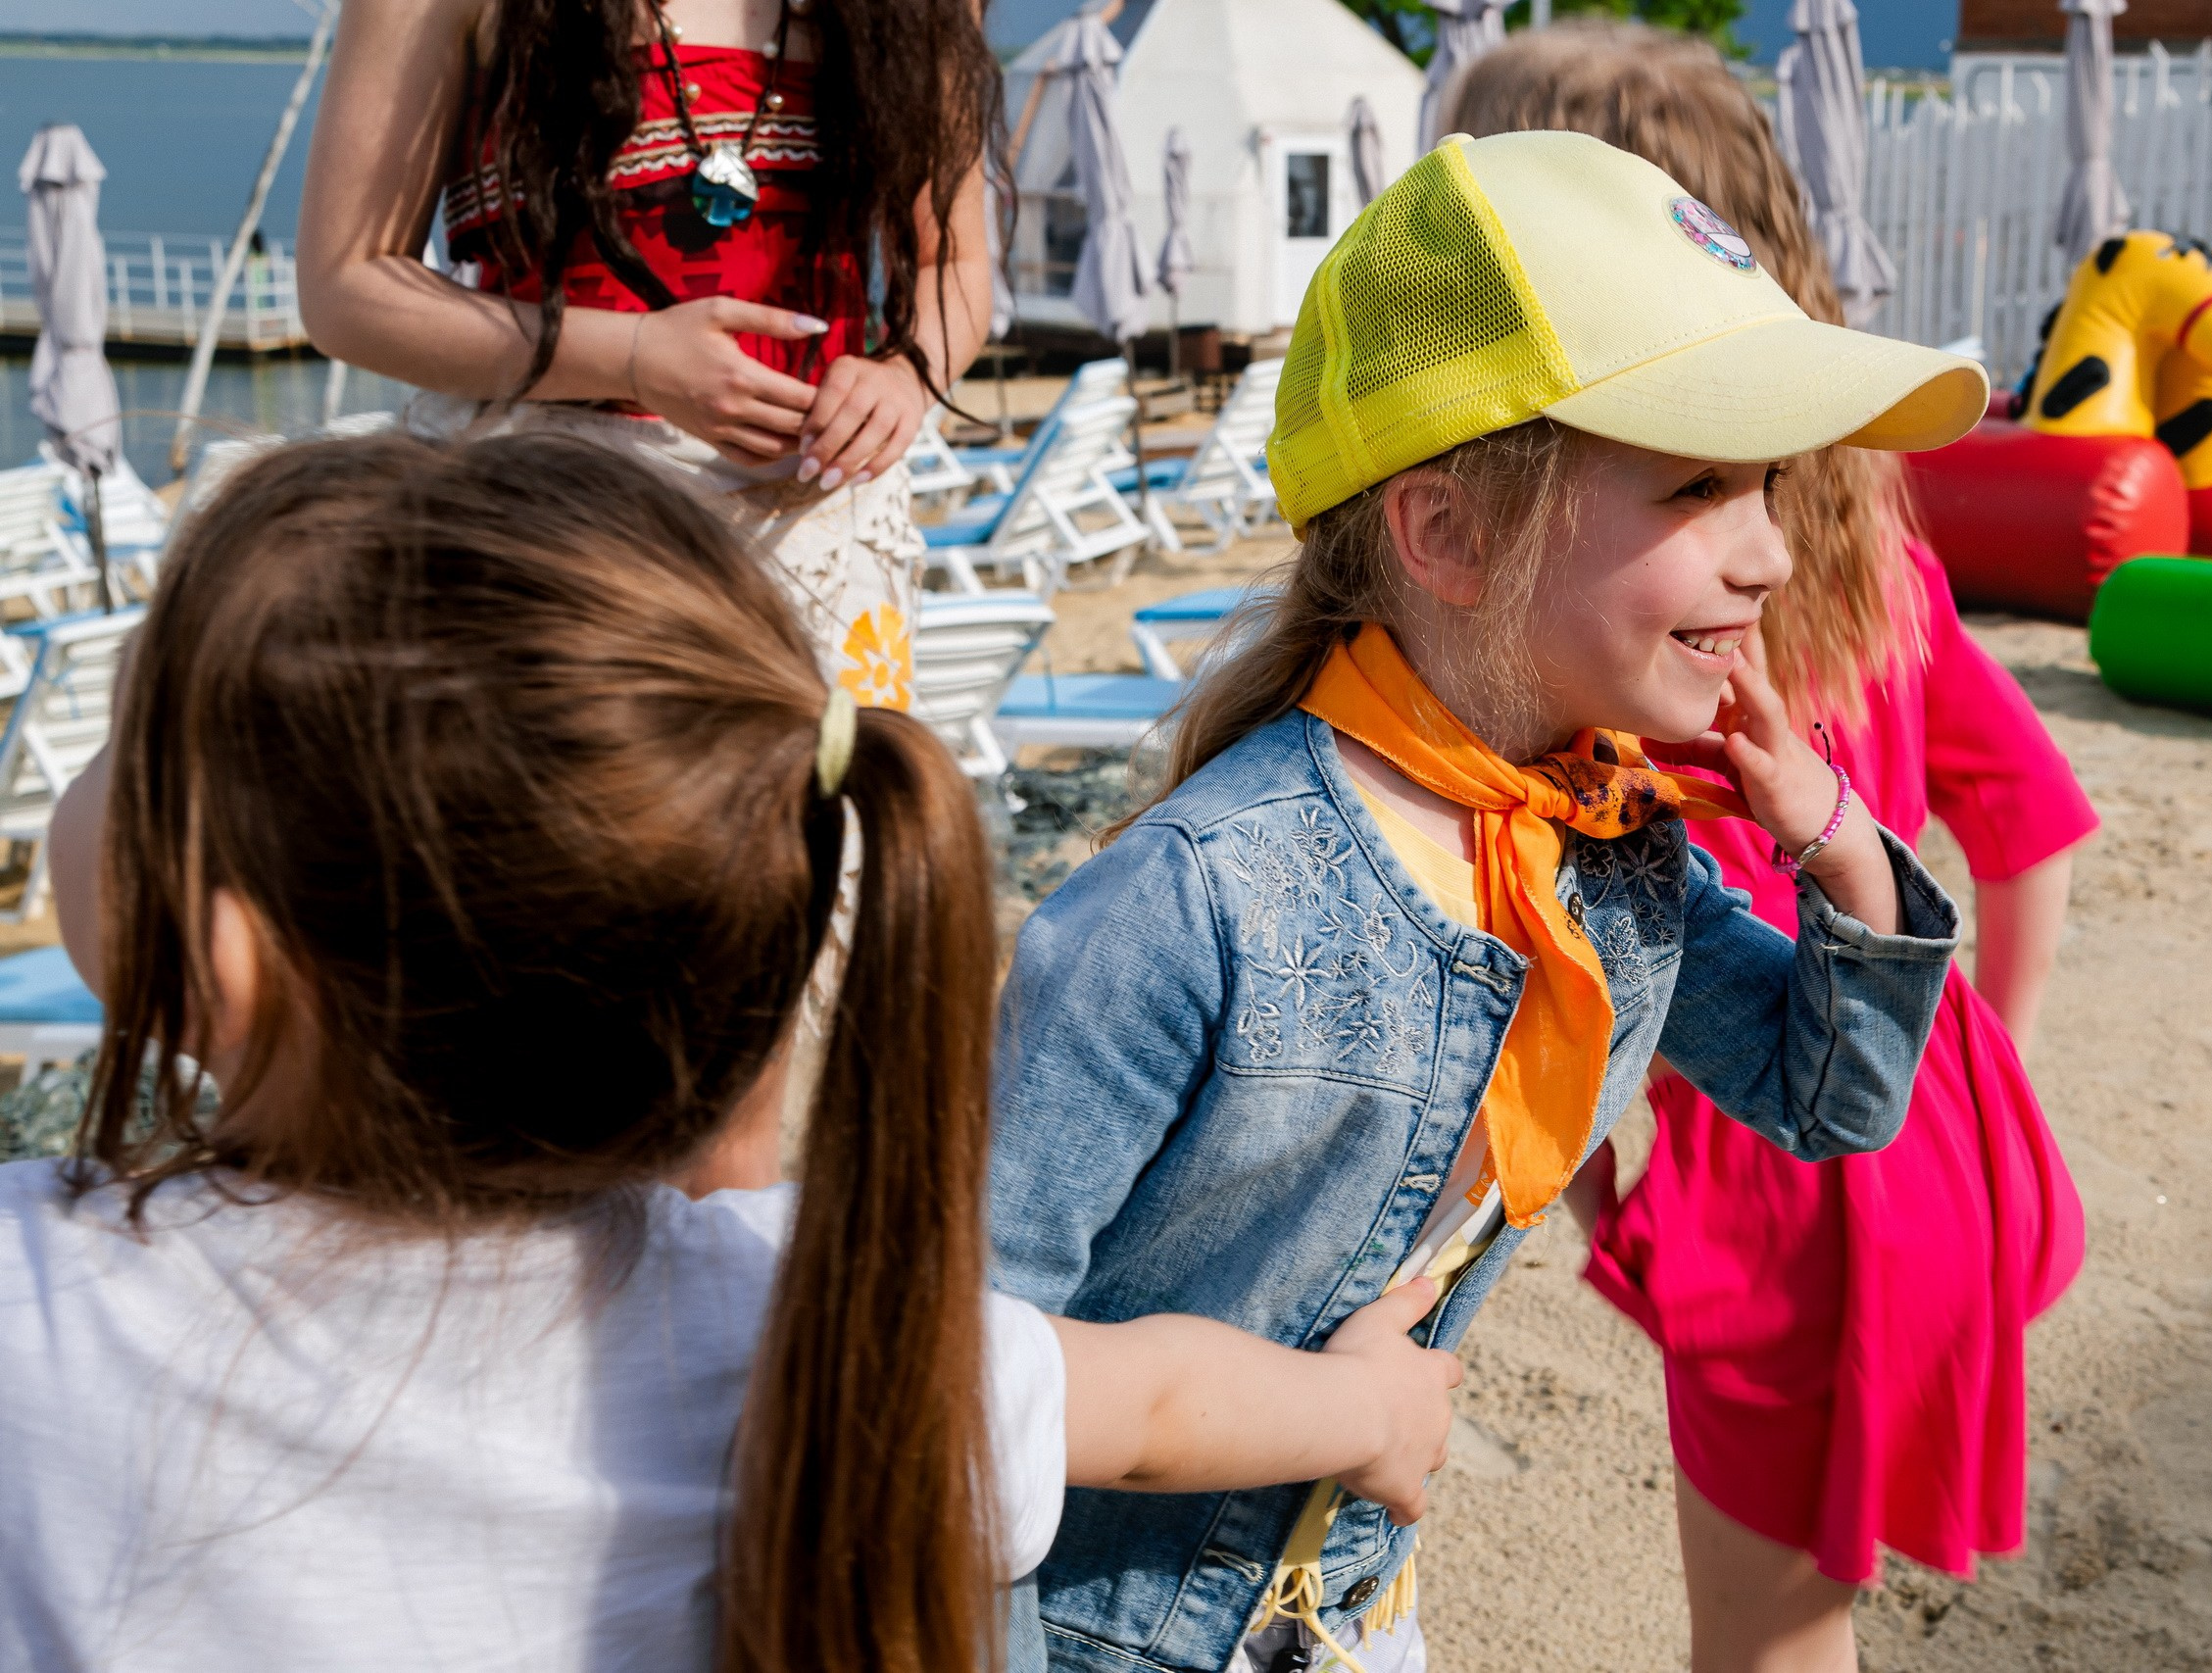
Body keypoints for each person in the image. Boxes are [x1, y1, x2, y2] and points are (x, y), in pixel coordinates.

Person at [0, 433, 1465, 1673]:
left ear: (230, 949)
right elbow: (1150, 1404)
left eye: (130, 736)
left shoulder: (45, 1308)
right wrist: (1371, 1406)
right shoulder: (800, 1324)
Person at [987, 130, 1989, 1673]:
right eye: (1701, 484)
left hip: (1352, 1612)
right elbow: (958, 1374)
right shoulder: (1189, 904)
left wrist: (1841, 840)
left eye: (1772, 488)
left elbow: (1825, 1098)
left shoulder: (1613, 854)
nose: (1777, 551)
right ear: (1448, 533)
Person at [1451, 25, 2099, 1673]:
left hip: (1789, 1195)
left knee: (1769, 1646)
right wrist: (1965, 1072)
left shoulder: (1617, 642)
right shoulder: (1872, 558)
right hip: (1929, 1137)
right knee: (1805, 1615)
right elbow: (2029, 829)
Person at [295, 0, 998, 699]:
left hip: (825, 538)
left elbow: (956, 264)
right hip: (553, 534)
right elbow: (346, 287)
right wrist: (631, 354)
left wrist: (905, 375)